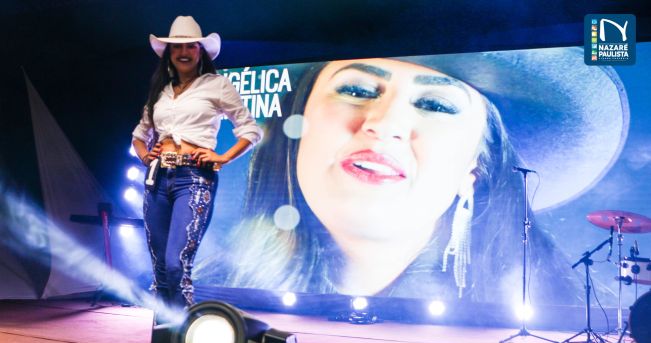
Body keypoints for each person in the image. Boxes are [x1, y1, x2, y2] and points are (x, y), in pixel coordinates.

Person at [196, 48, 628, 307]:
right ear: (297, 130)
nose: (384, 124)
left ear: (475, 169)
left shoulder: (554, 304)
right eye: (357, 90)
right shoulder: (204, 293)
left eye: (436, 105)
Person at [131, 16, 262, 311]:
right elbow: (139, 135)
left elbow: (251, 130)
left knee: (175, 264)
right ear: (168, 53)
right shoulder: (160, 92)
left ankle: (185, 330)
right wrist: (145, 156)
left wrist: (223, 157)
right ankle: (166, 333)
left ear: (200, 51)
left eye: (190, 45)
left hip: (193, 178)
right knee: (160, 270)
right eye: (177, 47)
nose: (183, 52)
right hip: (157, 178)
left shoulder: (217, 85)